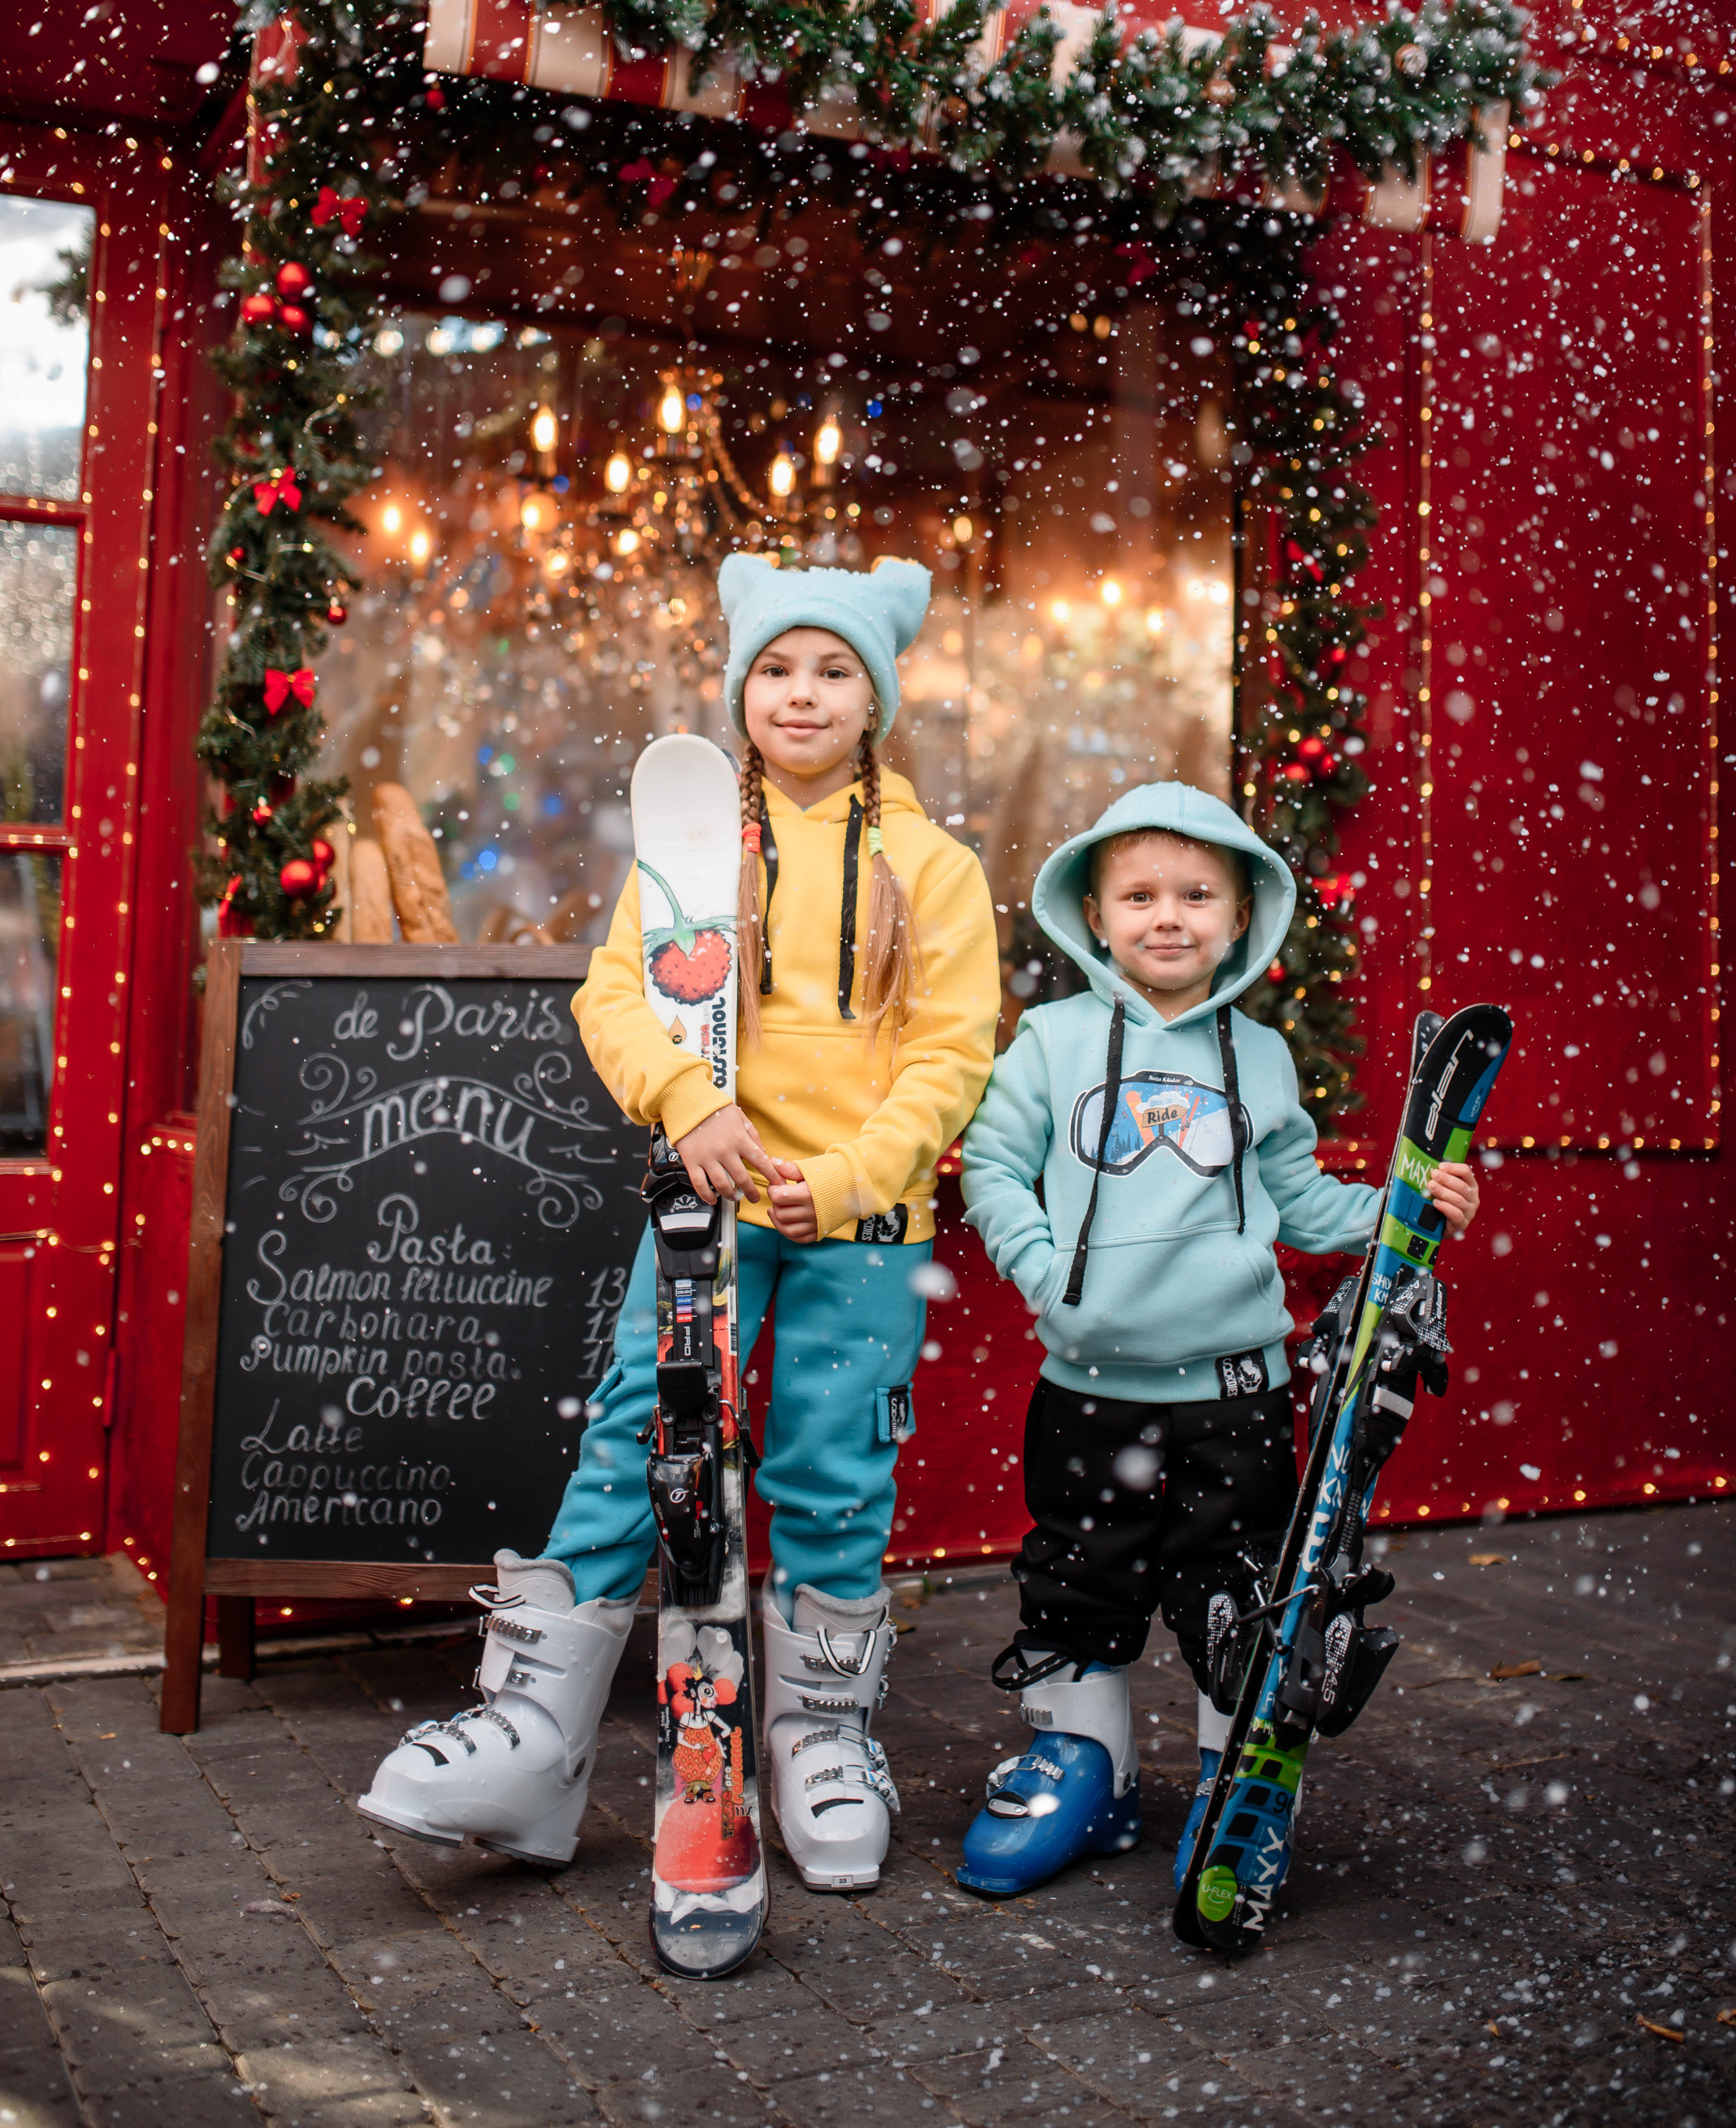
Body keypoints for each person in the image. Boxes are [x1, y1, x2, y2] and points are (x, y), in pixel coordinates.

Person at [360, 555, 1001, 1888]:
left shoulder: (932, 868)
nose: (803, 694)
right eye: (776, 669)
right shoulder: (692, 850)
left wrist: (851, 1173)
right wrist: (687, 1104)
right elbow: (615, 1000)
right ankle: (536, 1737)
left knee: (833, 1470)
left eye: (833, 671)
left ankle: (821, 1736)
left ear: (876, 697)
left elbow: (953, 1056)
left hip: (864, 1226)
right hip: (704, 1207)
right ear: (742, 688)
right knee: (630, 1440)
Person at [953, 781, 1479, 1901]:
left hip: (1236, 1393)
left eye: (1199, 894)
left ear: (1244, 918)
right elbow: (994, 1166)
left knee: (1236, 1592)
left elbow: (1298, 1201)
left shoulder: (1265, 1058)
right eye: (1139, 894)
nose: (1169, 916)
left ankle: (1229, 1782)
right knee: (1077, 1581)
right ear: (1093, 915)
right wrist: (1045, 1272)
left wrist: (1405, 1207)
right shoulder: (1048, 1043)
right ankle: (1081, 1770)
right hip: (1088, 1389)